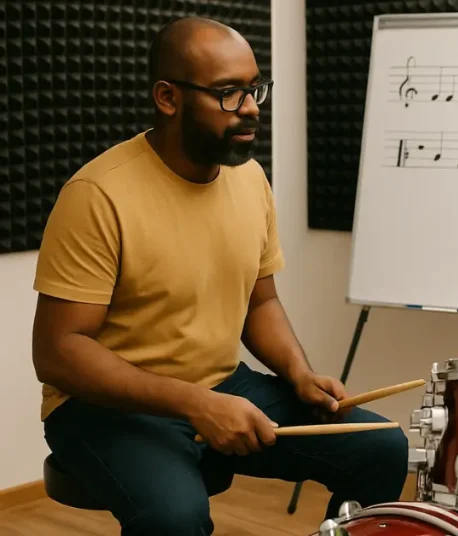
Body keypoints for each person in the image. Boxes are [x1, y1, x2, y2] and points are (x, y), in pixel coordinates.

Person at [31, 16, 407, 535]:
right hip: (104, 409)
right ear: (168, 98)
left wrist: (298, 373)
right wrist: (196, 404)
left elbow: (261, 303)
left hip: (219, 384)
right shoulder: (97, 196)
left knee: (384, 447)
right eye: (230, 93)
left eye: (255, 89)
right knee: (175, 518)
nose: (251, 107)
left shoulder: (249, 179)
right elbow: (58, 352)